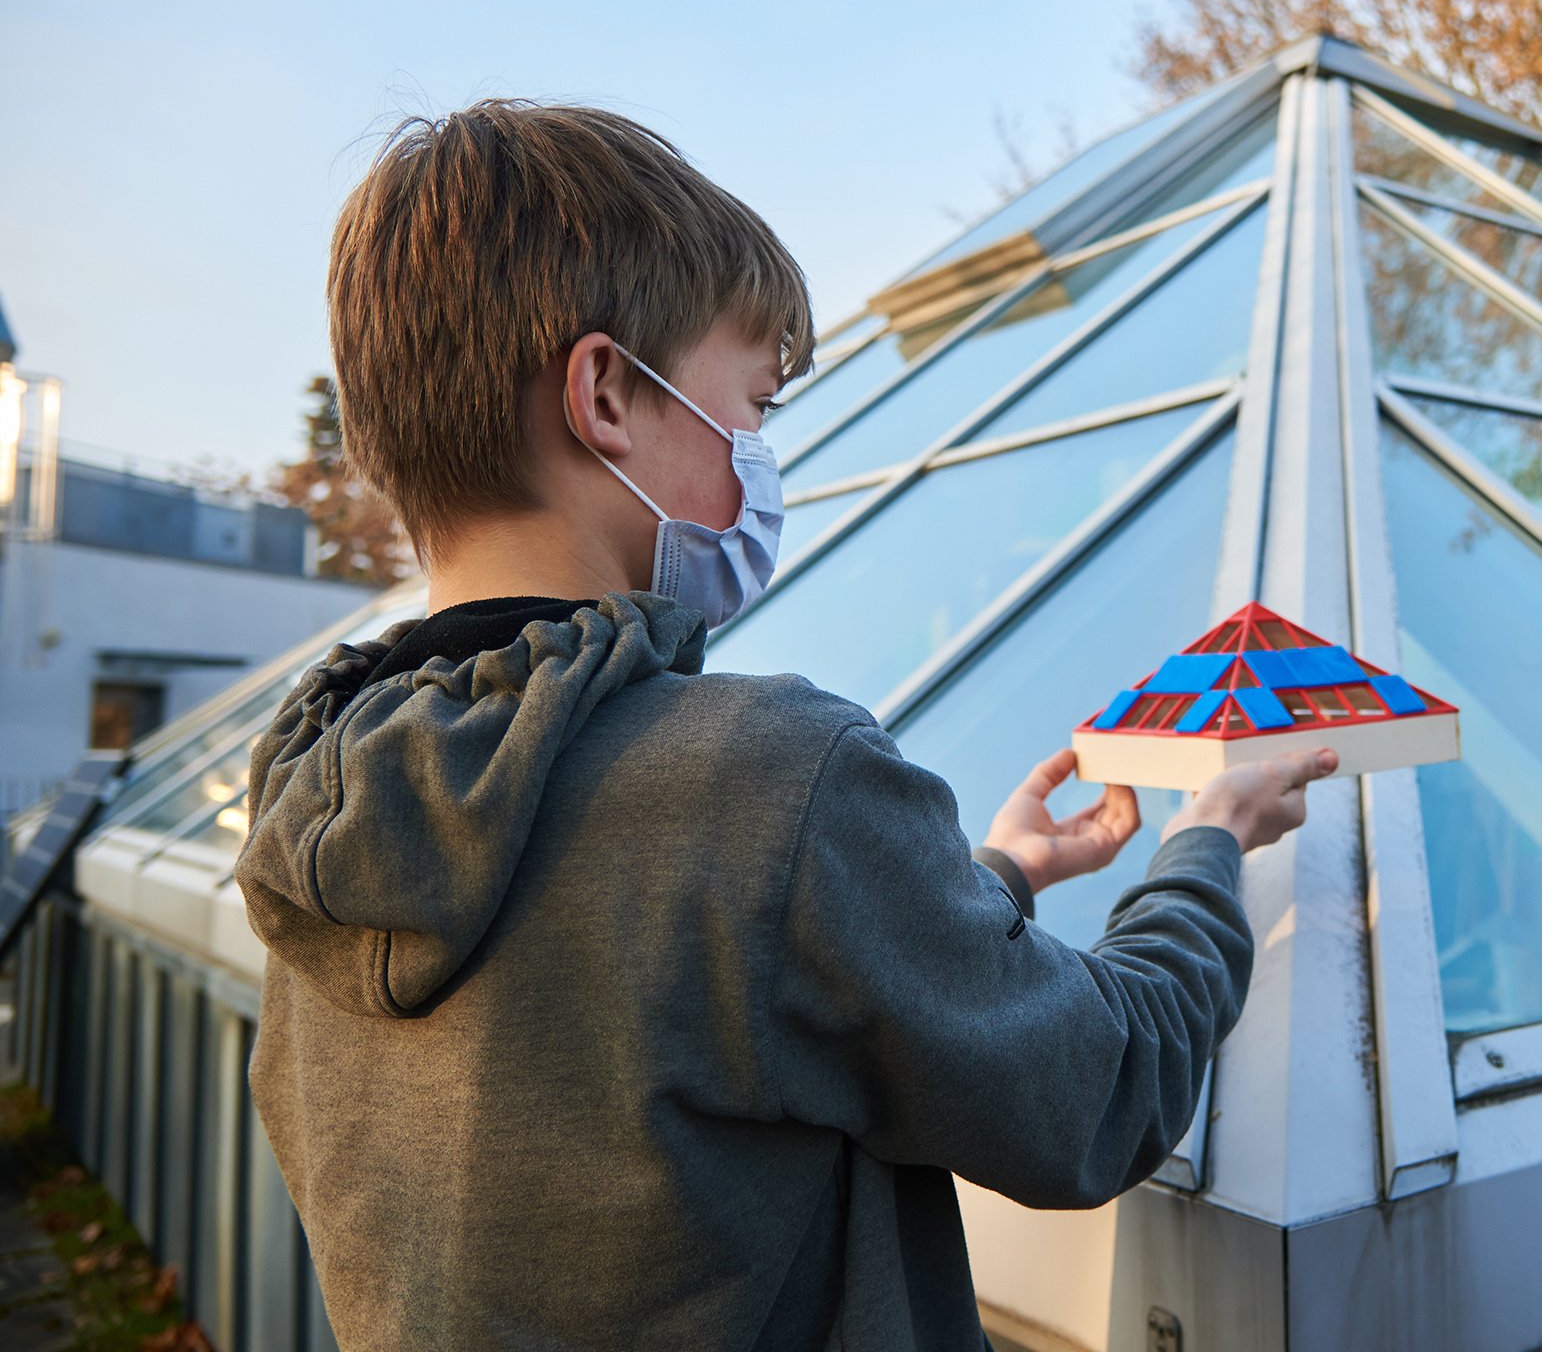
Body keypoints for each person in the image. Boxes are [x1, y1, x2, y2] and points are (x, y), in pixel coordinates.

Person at [232, 100, 1337, 1350]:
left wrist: (998, 879)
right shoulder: (768, 779)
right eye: (750, 410)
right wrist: (1212, 839)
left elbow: (690, 1007)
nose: (760, 459)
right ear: (604, 392)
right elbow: (1102, 1089)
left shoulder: (315, 798)